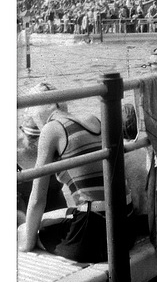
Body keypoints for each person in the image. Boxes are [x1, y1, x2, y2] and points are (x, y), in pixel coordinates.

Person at [18, 84, 135, 262]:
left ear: (37, 112)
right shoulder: (93, 119)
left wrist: (27, 243)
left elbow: (37, 199)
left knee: (26, 230)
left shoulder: (51, 130)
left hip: (91, 239)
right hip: (125, 228)